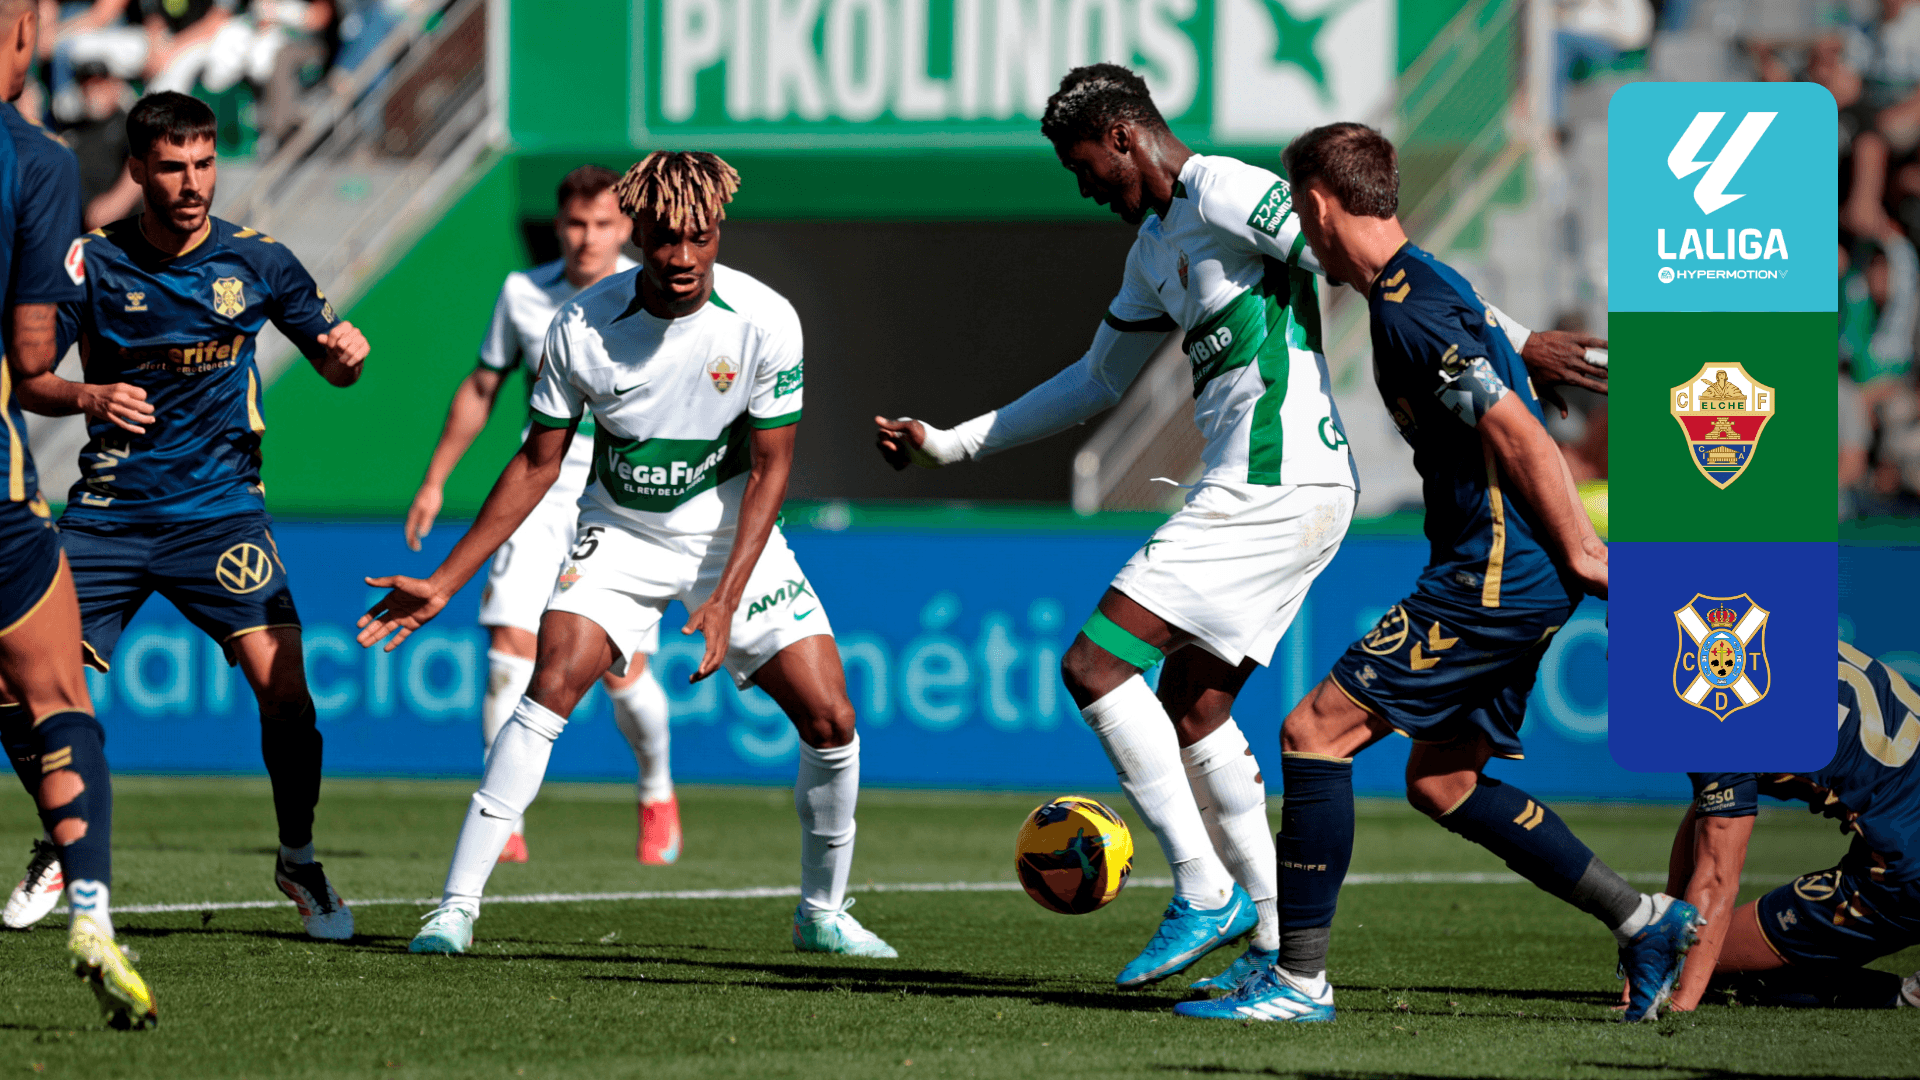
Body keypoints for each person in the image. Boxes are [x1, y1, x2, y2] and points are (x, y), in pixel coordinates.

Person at [874, 65, 1606, 997]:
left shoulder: (1223, 188)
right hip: (1271, 489)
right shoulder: (1154, 250)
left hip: (1275, 481)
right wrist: (952, 444)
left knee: (1094, 666)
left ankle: (1202, 887)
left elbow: (1380, 263)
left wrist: (1511, 335)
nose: (1084, 187)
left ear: (1123, 138)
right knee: (1194, 706)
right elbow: (1096, 379)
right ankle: (1270, 935)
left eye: (1083, 166)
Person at [1174, 122, 1693, 1024]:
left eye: (1296, 206)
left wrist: (1583, 549)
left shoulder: (1408, 310)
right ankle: (1643, 921)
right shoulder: (1427, 283)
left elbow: (1517, 433)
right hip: (1514, 571)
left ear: (1318, 205)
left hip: (1494, 574)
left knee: (1314, 733)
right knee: (1442, 782)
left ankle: (1297, 982)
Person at [357, 150, 895, 960]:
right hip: (621, 532)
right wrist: (444, 581)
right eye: (665, 237)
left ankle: (820, 914)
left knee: (832, 717)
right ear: (637, 232)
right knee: (550, 681)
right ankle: (455, 908)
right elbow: (537, 463)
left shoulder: (765, 319)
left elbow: (772, 468)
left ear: (720, 231)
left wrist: (726, 596)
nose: (682, 255)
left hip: (728, 539)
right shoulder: (578, 326)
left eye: (700, 236)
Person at [14, 90, 370, 941]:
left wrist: (347, 356)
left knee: (287, 690)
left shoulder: (259, 260)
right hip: (108, 515)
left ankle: (298, 858)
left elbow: (333, 361)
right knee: (18, 687)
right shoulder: (90, 262)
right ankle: (63, 839)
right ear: (138, 169)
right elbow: (30, 379)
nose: (192, 183)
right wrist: (88, 394)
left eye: (205, 164)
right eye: (173, 167)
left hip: (220, 516)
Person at [404, 164, 678, 866]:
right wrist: (435, 480)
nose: (588, 238)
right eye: (575, 224)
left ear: (626, 228)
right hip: (539, 494)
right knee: (508, 651)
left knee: (623, 676)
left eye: (603, 224)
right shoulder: (524, 294)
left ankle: (656, 791)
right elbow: (482, 385)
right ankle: (505, 817)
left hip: (622, 501)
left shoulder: (654, 293)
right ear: (558, 226)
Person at [0, 0, 153, 1027]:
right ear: (23, 32)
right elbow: (31, 358)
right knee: (57, 696)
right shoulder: (37, 161)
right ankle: (91, 915)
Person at [1659, 644, 1919, 1011]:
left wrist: (1671, 983)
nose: (1609, 658)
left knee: (1701, 960)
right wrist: (1665, 926)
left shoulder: (1720, 719)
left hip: (1907, 871)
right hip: (1907, 826)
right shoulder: (1773, 640)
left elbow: (1716, 880)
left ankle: (1904, 993)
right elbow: (1708, 811)